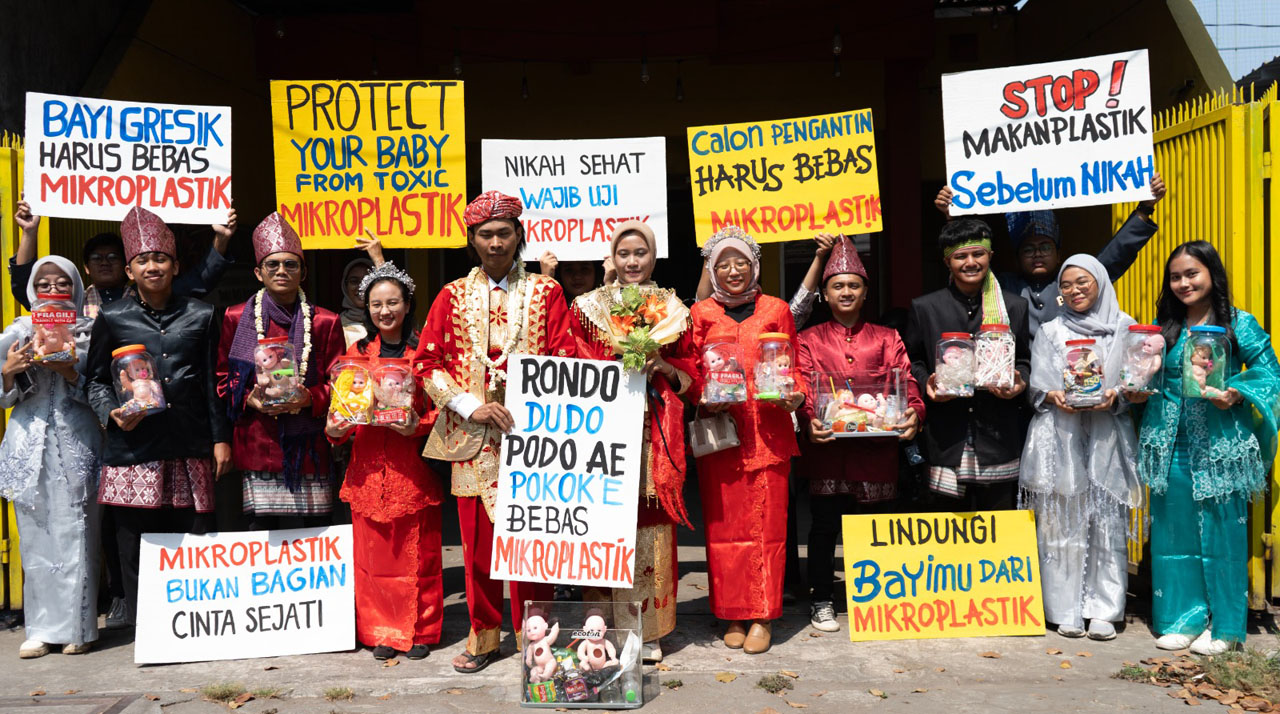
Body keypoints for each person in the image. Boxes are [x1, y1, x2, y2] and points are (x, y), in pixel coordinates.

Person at [414, 190, 575, 674]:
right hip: (471, 439)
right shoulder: (451, 295)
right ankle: (484, 637)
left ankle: (537, 638)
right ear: (472, 241)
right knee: (478, 548)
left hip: (534, 441)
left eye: (504, 232)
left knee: (532, 545)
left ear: (519, 236)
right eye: (486, 234)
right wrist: (470, 406)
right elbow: (426, 363)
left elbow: (566, 357)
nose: (496, 242)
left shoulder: (548, 293)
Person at [1128, 241, 1280, 655]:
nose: (1183, 283)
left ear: (1212, 274)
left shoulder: (1238, 324)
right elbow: (1150, 377)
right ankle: (1183, 619)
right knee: (1173, 534)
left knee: (1222, 534)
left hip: (1220, 446)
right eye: (1175, 276)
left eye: (1191, 273)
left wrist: (1236, 392)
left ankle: (1226, 628)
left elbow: (1270, 373)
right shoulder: (1164, 327)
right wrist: (1139, 392)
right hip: (1170, 443)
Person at [86, 206, 233, 629]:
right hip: (134, 447)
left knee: (193, 538)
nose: (152, 266)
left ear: (176, 265)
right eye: (143, 261)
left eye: (160, 259)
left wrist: (220, 439)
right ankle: (148, 630)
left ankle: (196, 624)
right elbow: (94, 380)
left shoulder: (202, 315)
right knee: (135, 543)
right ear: (130, 271)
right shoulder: (112, 318)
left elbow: (211, 381)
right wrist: (110, 413)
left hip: (189, 442)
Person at [569, 220, 695, 662]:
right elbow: (572, 359)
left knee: (650, 522)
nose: (632, 261)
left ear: (653, 257)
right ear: (612, 258)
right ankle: (600, 625)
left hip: (651, 432)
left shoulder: (673, 307)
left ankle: (647, 628)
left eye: (640, 252)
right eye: (624, 254)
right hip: (601, 430)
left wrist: (659, 363)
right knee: (600, 521)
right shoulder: (587, 306)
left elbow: (691, 372)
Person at [796, 235, 922, 633]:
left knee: (877, 523)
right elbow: (801, 384)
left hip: (875, 449)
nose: (846, 291)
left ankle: (880, 603)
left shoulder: (887, 337)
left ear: (865, 291)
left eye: (853, 285)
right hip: (829, 449)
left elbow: (906, 381)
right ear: (824, 293)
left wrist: (915, 412)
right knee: (823, 525)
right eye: (837, 285)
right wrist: (810, 416)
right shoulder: (809, 339)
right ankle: (821, 599)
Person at [689, 225, 805, 655]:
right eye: (724, 263)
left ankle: (762, 615)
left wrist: (797, 394)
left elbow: (794, 362)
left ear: (754, 265)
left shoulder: (775, 309)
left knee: (769, 529)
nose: (733, 270)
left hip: (769, 433)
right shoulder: (700, 315)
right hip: (721, 437)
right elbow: (690, 368)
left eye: (741, 261)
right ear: (712, 269)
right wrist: (701, 394)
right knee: (724, 529)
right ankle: (732, 612)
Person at [1019, 255, 1143, 641]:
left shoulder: (1125, 327)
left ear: (1101, 282)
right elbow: (1038, 384)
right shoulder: (1052, 330)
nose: (1074, 291)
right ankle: (1063, 608)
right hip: (1062, 434)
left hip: (1107, 432)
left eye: (1083, 282)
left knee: (1107, 519)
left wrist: (1118, 396)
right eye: (1067, 285)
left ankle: (1104, 609)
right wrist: (1052, 394)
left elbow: (1134, 380)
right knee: (1063, 518)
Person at [327, 261, 443, 661]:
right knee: (373, 559)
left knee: (419, 556)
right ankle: (380, 630)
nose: (384, 311)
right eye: (376, 304)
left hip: (411, 469)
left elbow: (441, 412)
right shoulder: (355, 355)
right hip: (366, 467)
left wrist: (417, 424)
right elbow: (340, 409)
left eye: (393, 302)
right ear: (366, 308)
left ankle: (422, 630)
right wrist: (336, 427)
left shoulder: (423, 355)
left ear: (408, 304)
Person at [217, 213, 345, 529]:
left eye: (291, 264)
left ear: (303, 273)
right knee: (263, 538)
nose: (282, 271)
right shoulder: (236, 317)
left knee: (315, 541)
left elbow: (342, 384)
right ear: (258, 273)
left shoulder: (325, 321)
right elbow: (223, 378)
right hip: (257, 442)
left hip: (309, 447)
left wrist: (308, 399)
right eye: (273, 265)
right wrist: (250, 399)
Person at [0, 257, 100, 657]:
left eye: (63, 283)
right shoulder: (18, 331)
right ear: (33, 290)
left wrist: (71, 371)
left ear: (75, 289)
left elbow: (102, 389)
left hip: (77, 440)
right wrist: (10, 371)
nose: (53, 289)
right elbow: (5, 394)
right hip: (29, 443)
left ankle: (79, 626)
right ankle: (39, 630)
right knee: (35, 533)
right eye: (45, 283)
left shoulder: (90, 331)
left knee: (79, 531)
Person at [934, 173, 1166, 336]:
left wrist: (1145, 208)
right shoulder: (1001, 286)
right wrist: (952, 217)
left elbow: (1115, 255)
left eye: (1045, 247)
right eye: (1028, 249)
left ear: (1059, 254)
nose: (1037, 254)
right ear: (1017, 257)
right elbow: (968, 266)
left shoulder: (1072, 281)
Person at [904, 218, 1031, 509]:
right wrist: (927, 383)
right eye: (961, 256)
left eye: (978, 254)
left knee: (998, 522)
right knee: (947, 525)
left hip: (997, 435)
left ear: (991, 257)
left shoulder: (1013, 306)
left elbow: (1023, 359)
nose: (970, 262)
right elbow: (912, 360)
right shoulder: (925, 308)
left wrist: (1019, 381)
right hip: (948, 436)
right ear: (947, 261)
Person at [11, 199, 236, 315]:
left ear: (128, 267)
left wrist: (222, 239)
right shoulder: (72, 302)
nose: (105, 262)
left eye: (112, 256)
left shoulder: (152, 296)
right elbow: (25, 287)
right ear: (86, 268)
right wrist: (29, 232)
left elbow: (199, 281)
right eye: (97, 258)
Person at [537, 250, 604, 304]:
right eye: (569, 270)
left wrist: (610, 282)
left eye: (585, 269)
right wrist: (546, 278)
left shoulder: (604, 306)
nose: (577, 276)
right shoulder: (554, 305)